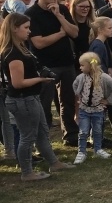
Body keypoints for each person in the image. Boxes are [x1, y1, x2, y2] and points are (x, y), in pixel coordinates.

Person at [0, 13, 74, 180]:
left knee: (41, 131)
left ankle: (54, 163)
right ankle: (27, 172)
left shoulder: (21, 47)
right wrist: (41, 79)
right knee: (28, 136)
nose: (29, 31)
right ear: (14, 28)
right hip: (22, 99)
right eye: (26, 28)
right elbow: (17, 83)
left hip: (30, 97)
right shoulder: (13, 53)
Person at [25, 0, 79, 145]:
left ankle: (70, 136)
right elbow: (38, 43)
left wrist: (59, 16)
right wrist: (62, 33)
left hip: (66, 63)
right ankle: (42, 140)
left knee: (68, 101)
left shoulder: (62, 8)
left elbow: (75, 33)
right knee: (44, 105)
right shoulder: (31, 14)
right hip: (45, 66)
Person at [71, 51, 112, 165]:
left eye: (82, 65)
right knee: (83, 132)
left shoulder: (104, 77)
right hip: (84, 110)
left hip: (98, 110)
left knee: (97, 131)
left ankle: (98, 149)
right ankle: (81, 152)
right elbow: (74, 85)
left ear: (90, 65)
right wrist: (79, 95)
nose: (80, 67)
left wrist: (108, 100)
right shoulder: (81, 77)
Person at [88, 16, 112, 137]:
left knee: (109, 105)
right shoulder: (98, 45)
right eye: (109, 28)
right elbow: (93, 61)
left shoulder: (101, 44)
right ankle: (98, 137)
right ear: (100, 30)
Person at [70, 0, 96, 64]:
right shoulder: (69, 25)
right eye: (81, 6)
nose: (85, 9)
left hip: (92, 62)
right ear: (74, 7)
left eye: (87, 7)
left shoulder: (94, 25)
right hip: (74, 64)